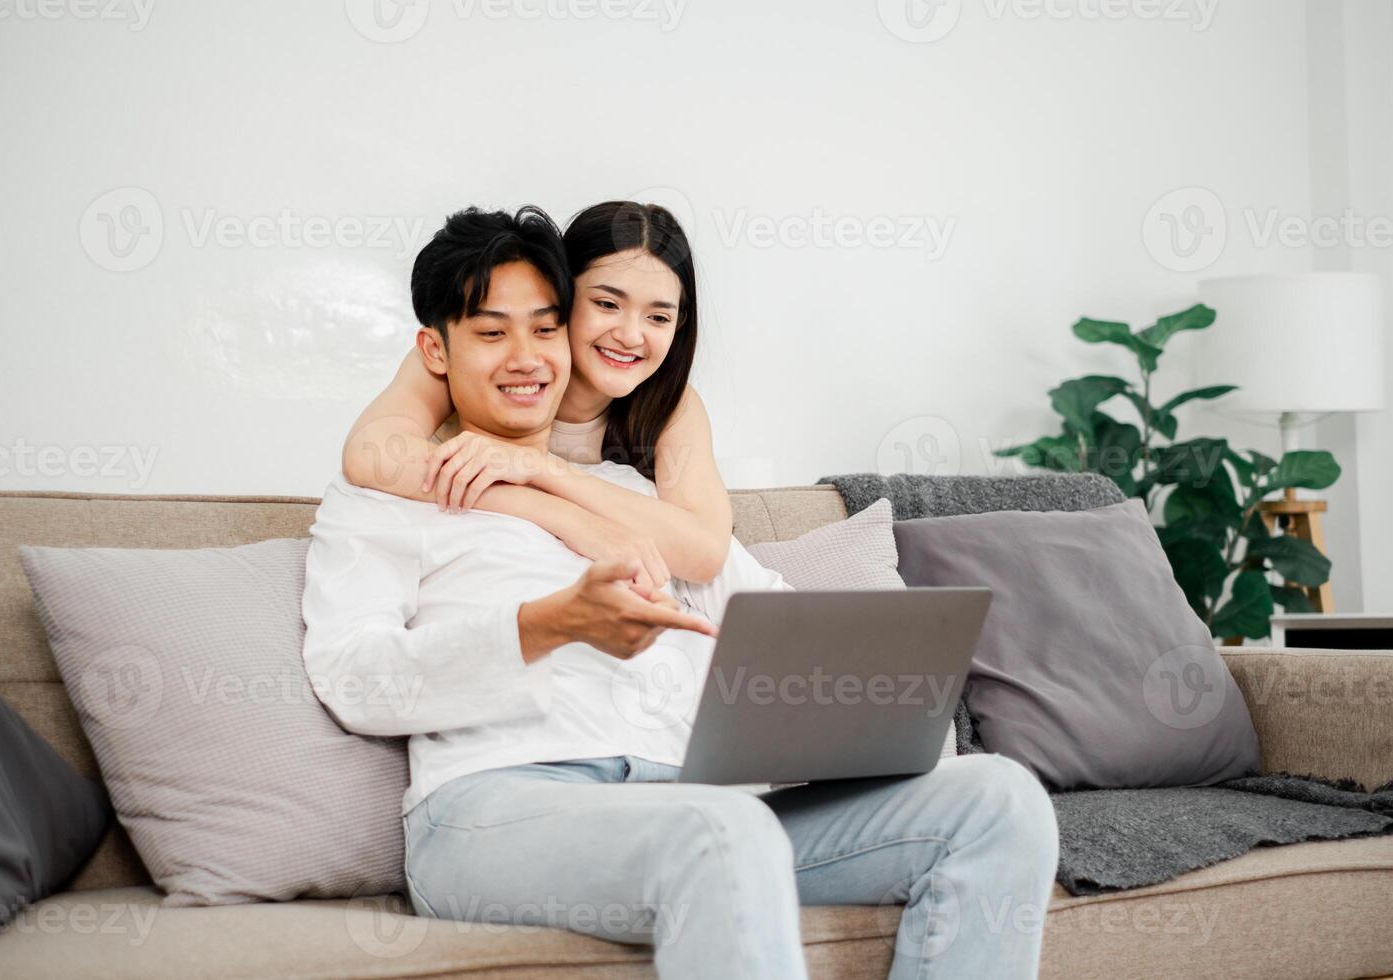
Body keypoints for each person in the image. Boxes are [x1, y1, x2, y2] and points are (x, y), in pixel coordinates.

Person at [302, 206, 1060, 979]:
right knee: (723, 830)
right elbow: (355, 678)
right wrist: (546, 626)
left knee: (999, 801)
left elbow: (770, 616)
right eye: (492, 333)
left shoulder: (638, 494)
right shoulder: (389, 490)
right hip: (496, 809)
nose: (526, 357)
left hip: (700, 803)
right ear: (436, 350)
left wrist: (873, 703)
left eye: (545, 328)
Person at [341, 200, 727, 589]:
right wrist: (564, 517)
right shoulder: (468, 363)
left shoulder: (670, 403)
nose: (630, 335)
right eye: (606, 304)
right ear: (561, 295)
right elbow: (369, 452)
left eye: (658, 317)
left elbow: (705, 552)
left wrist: (539, 467)